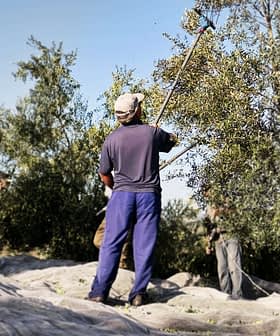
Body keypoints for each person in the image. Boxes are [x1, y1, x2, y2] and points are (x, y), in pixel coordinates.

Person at [88, 92, 177, 306]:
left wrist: (114, 187)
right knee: (144, 244)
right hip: (148, 195)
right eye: (140, 106)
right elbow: (172, 140)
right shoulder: (151, 134)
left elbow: (104, 174)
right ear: (136, 111)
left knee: (111, 244)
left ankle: (100, 292)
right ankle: (138, 294)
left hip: (121, 195)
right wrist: (158, 131)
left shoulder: (111, 139)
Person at [203, 188, 243, 300]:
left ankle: (238, 295)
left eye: (208, 191)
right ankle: (225, 295)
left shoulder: (226, 200)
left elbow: (236, 213)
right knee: (222, 269)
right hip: (218, 240)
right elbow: (208, 227)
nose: (207, 194)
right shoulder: (208, 208)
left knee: (234, 267)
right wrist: (208, 245)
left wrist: (220, 211)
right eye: (205, 192)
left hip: (231, 237)